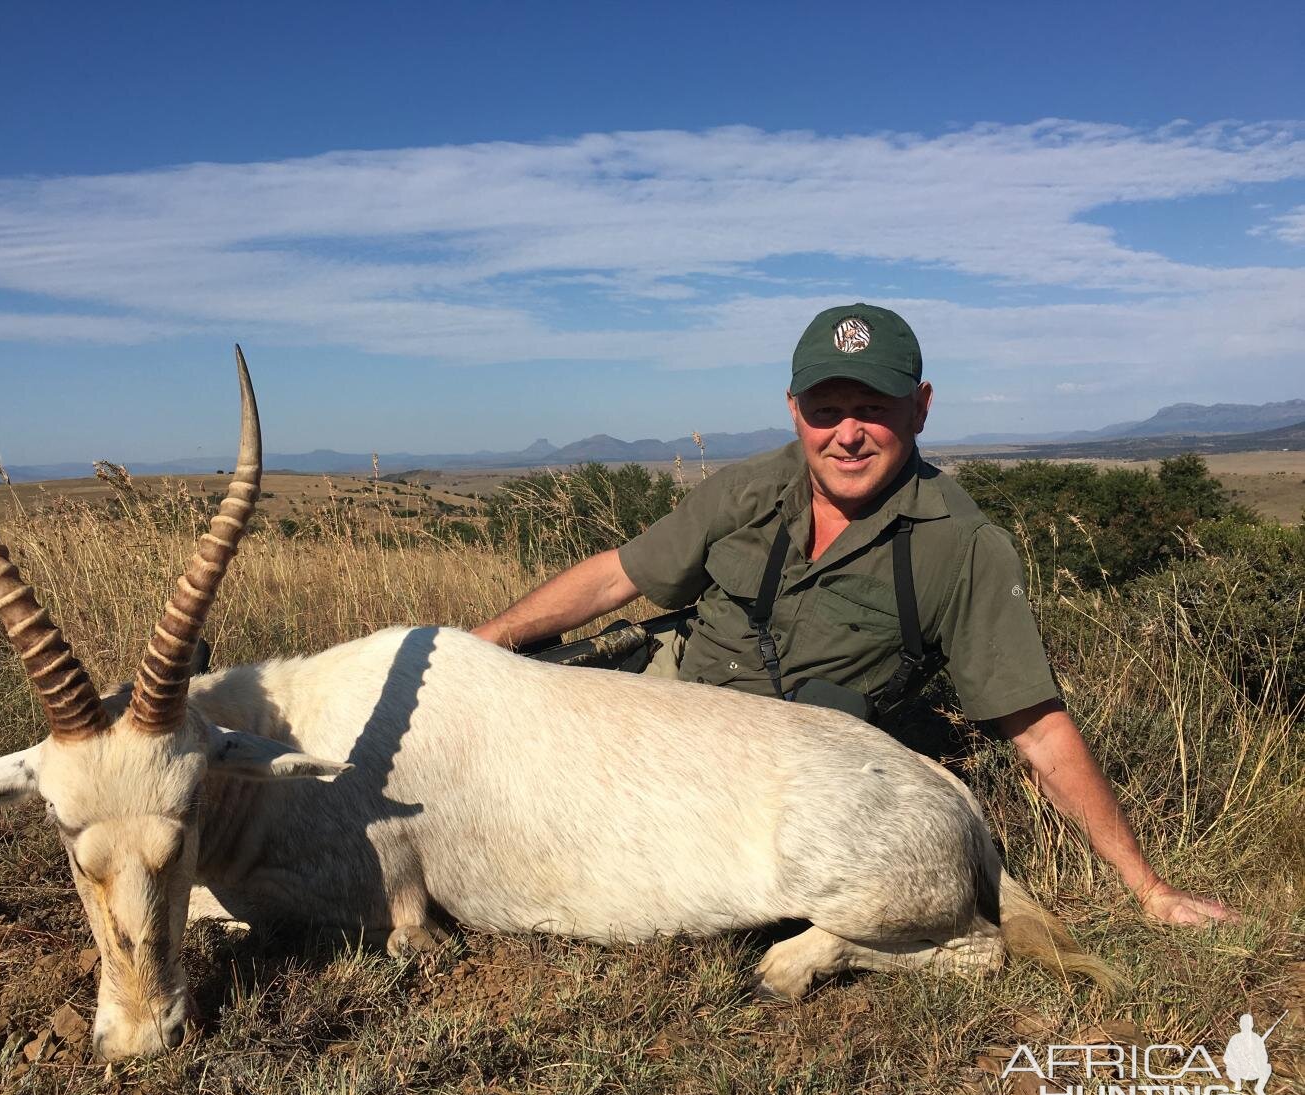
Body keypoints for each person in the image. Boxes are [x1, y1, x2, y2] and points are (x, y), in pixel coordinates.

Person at [473, 303, 1238, 928]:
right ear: (793, 410)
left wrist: (1148, 888)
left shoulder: (962, 546)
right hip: (663, 705)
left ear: (922, 407)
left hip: (778, 773)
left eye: (872, 408)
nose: (847, 433)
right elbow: (617, 578)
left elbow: (1036, 726)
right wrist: (477, 646)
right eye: (826, 409)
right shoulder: (748, 489)